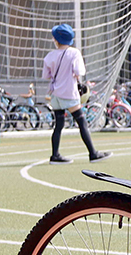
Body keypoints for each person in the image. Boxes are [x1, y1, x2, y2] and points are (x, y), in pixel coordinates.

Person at [42, 24, 110, 165]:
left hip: (55, 94)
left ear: (56, 39)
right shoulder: (74, 53)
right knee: (81, 122)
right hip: (69, 92)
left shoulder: (50, 56)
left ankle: (55, 155)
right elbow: (80, 72)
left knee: (58, 124)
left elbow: (46, 75)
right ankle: (93, 153)